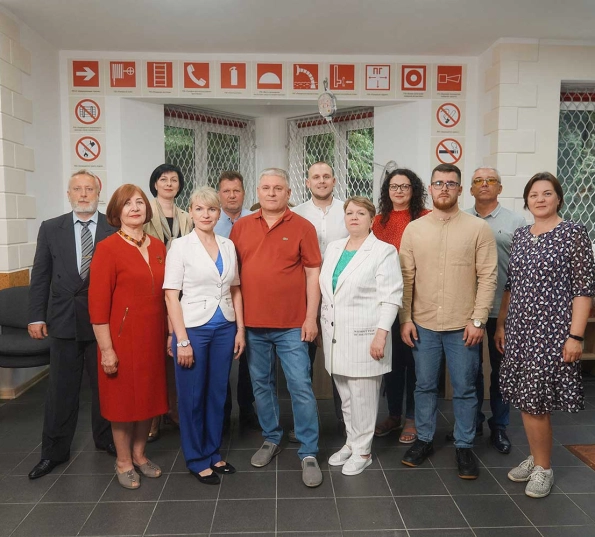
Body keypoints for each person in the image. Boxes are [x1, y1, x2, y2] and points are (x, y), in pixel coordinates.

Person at [495, 172, 595, 498]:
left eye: (547, 193)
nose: (540, 199)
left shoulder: (573, 233)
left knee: (536, 400)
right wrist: (502, 324)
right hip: (520, 329)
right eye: (534, 194)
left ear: (558, 198)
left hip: (551, 331)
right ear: (527, 201)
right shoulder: (521, 236)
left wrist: (575, 336)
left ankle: (544, 468)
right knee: (526, 398)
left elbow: (583, 289)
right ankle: (537, 456)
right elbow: (511, 285)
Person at [399, 163, 497, 480]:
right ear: (430, 188)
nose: (444, 188)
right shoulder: (414, 229)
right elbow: (406, 278)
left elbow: (488, 277)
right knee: (424, 385)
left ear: (460, 189)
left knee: (465, 389)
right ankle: (424, 440)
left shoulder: (478, 229)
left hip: (462, 326)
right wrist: (405, 319)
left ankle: (464, 446)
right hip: (423, 325)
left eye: (450, 183)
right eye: (439, 183)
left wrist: (478, 321)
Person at [229, 168, 323, 488]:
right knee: (261, 385)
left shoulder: (303, 227)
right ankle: (271, 437)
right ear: (258, 192)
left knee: (300, 386)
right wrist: (239, 325)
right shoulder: (241, 227)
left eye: (278, 188)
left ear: (288, 193)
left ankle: (308, 451)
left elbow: (313, 274)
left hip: (292, 325)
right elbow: (233, 277)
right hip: (253, 324)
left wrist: (310, 318)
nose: (271, 193)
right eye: (266, 188)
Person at [27, 170, 116, 480]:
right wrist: (36, 315)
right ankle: (53, 453)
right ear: (68, 194)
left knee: (105, 386)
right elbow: (40, 274)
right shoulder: (51, 228)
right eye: (77, 189)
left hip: (102, 322)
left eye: (89, 189)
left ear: (98, 194)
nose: (83, 194)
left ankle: (107, 439)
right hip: (63, 319)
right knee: (61, 390)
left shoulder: (113, 228)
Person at [89, 184, 168, 489]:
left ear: (147, 209)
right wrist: (107, 350)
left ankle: (139, 454)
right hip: (120, 340)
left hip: (152, 337)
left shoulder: (159, 247)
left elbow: (167, 295)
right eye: (127, 204)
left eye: (139, 203)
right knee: (121, 404)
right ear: (116, 212)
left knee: (148, 399)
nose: (135, 208)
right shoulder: (107, 249)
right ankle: (123, 461)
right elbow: (98, 308)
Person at [164, 186, 244, 485]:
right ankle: (196, 458)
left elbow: (235, 288)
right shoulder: (180, 246)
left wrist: (240, 329)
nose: (206, 214)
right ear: (191, 212)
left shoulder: (228, 245)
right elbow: (171, 296)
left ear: (218, 212)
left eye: (211, 209)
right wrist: (181, 340)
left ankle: (213, 452)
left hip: (225, 327)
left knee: (217, 393)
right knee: (192, 396)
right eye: (199, 209)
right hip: (193, 329)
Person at [320, 196, 403, 475]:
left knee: (363, 397)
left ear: (371, 219)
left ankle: (364, 451)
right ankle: (351, 442)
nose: (354, 217)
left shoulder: (383, 251)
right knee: (345, 396)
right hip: (335, 335)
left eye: (360, 213)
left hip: (366, 336)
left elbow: (391, 297)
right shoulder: (334, 248)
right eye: (349, 213)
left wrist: (381, 335)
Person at [458, 167, 525, 454]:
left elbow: (521, 270)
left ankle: (499, 426)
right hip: (468, 310)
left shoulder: (516, 221)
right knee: (470, 371)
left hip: (502, 309)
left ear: (500, 188)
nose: (484, 184)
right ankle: (472, 423)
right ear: (470, 189)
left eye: (491, 180)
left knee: (501, 371)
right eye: (478, 181)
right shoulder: (461, 219)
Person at [372, 167, 430, 444]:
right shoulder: (377, 221)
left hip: (418, 300)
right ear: (387, 191)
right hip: (386, 301)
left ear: (413, 190)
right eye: (394, 186)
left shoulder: (426, 218)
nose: (399, 191)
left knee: (415, 363)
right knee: (392, 363)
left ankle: (413, 418)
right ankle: (394, 414)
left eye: (405, 186)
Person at [293, 161, 348, 437]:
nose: (321, 181)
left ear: (334, 181)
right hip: (305, 296)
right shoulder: (295, 214)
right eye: (316, 177)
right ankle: (306, 425)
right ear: (308, 182)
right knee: (302, 365)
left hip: (342, 295)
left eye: (326, 176)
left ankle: (347, 424)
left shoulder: (348, 210)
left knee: (341, 363)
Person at [144, 163, 193, 441]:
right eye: (163, 179)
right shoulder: (144, 212)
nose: (169, 184)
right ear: (155, 184)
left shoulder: (187, 216)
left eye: (174, 180)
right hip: (152, 285)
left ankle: (173, 410)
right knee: (153, 355)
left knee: (175, 351)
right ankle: (153, 415)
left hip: (181, 289)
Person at [213, 171, 258, 432]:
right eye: (226, 191)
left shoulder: (255, 220)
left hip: (250, 298)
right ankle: (223, 411)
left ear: (244, 193)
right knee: (221, 360)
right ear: (219, 195)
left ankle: (247, 408)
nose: (232, 195)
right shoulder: (210, 221)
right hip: (219, 300)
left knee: (249, 359)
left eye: (236, 191)